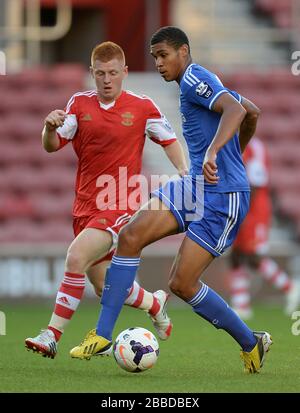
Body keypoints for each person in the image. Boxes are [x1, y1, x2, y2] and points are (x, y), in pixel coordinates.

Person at [70, 27, 272, 374]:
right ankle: (102, 334)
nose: (159, 64)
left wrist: (216, 153)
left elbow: (237, 113)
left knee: (181, 283)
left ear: (184, 51)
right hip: (195, 184)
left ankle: (251, 343)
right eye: (154, 58)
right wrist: (229, 154)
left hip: (223, 197)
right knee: (131, 235)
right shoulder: (197, 81)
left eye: (164, 55)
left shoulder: (195, 77)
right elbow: (250, 109)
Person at [25, 41, 189, 359]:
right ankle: (155, 303)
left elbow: (169, 140)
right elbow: (51, 145)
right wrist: (47, 126)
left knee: (75, 257)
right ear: (92, 73)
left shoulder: (143, 107)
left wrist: (183, 171)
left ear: (125, 72)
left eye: (113, 73)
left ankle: (51, 335)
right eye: (100, 73)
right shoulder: (78, 104)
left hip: (121, 203)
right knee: (106, 288)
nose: (107, 80)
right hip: (84, 206)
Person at [228, 136, 300, 319]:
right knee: (236, 255)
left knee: (253, 257)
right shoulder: (229, 142)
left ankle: (290, 287)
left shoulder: (254, 147)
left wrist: (243, 212)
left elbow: (256, 183)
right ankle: (241, 304)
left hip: (254, 207)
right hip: (238, 205)